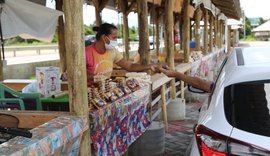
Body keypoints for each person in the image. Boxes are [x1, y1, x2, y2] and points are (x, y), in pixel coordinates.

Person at [86, 23, 157, 86]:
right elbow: (76, 76)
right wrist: (93, 77)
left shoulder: (112, 51)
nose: (116, 41)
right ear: (104, 37)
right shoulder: (86, 53)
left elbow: (129, 66)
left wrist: (150, 66)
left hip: (105, 89)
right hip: (87, 92)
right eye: (114, 37)